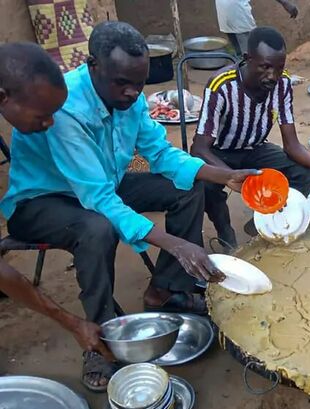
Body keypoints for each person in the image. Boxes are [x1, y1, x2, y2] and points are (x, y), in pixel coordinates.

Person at [0, 22, 258, 390]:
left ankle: (165, 289)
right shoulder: (63, 108)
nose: (133, 93)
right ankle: (100, 334)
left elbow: (160, 153)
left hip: (103, 182)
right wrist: (175, 244)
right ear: (94, 66)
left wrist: (224, 175)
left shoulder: (128, 96)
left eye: (139, 83)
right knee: (96, 227)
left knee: (187, 189)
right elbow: (99, 200)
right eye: (123, 83)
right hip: (42, 200)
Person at [0, 42, 115, 371]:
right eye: (42, 115)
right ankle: (100, 343)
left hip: (63, 195)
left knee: (99, 220)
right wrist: (72, 322)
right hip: (32, 205)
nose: (51, 123)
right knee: (96, 227)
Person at [192, 26, 310, 247]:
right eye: (265, 67)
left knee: (306, 174)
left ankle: (264, 221)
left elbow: (292, 145)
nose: (272, 76)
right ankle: (225, 231)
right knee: (206, 185)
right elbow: (199, 149)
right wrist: (229, 175)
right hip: (218, 152)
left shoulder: (283, 84)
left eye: (279, 68)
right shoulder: (222, 85)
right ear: (247, 59)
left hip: (256, 148)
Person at [215, 0, 298, 56]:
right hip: (236, 10)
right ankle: (248, 75)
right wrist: (284, 2)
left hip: (223, 9)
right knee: (250, 54)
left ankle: (240, 73)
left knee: (239, 53)